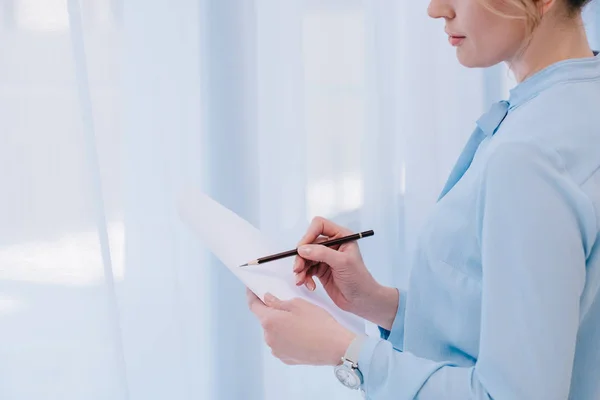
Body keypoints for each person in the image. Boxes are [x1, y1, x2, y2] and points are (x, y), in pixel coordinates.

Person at [247, 0, 600, 398]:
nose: (436, 9)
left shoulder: (527, 155)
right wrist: (381, 304)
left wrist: (344, 351)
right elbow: (550, 326)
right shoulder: (576, 108)